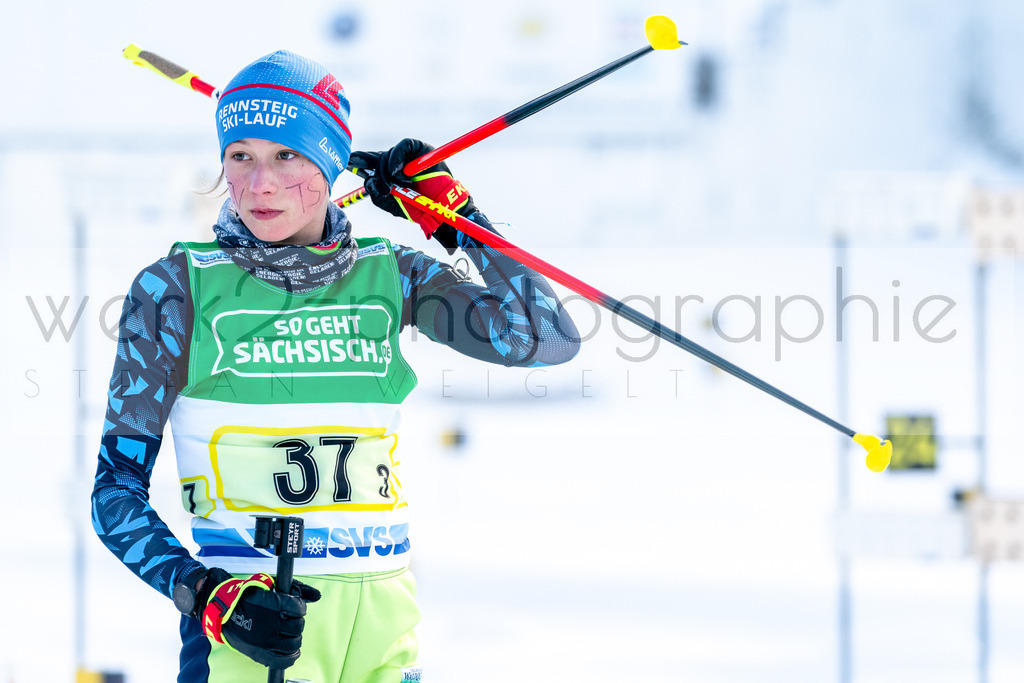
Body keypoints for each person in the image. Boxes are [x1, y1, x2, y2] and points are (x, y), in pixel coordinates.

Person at [91, 50, 580, 683]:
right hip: (256, 628)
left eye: (286, 155)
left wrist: (458, 218)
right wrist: (208, 596)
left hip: (382, 624)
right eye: (240, 156)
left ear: (328, 163)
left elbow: (543, 337)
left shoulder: (390, 275)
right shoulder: (177, 288)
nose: (259, 184)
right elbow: (114, 493)